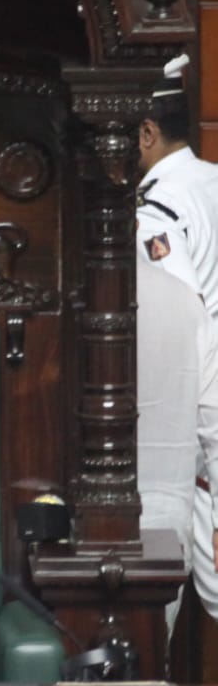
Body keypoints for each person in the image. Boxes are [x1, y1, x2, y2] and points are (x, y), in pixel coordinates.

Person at [135, 53, 218, 621]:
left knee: (159, 595)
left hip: (201, 413)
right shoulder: (211, 182)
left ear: (146, 131)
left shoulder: (158, 208)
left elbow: (180, 322)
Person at [136, 253, 218, 635]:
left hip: (59, 526)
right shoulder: (184, 300)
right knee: (149, 670)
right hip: (165, 525)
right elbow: (214, 427)